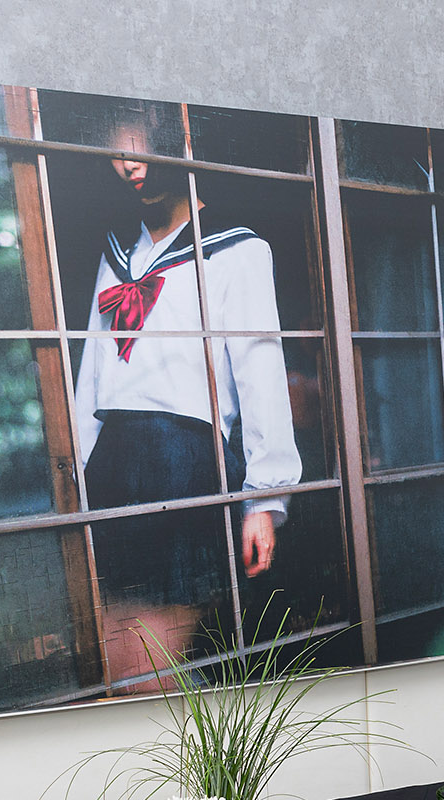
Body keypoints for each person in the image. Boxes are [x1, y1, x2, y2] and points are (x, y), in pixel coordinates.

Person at [72, 118, 302, 691]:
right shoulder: (117, 254)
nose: (129, 165)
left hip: (183, 460)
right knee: (115, 655)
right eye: (116, 154)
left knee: (155, 661)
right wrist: (77, 476)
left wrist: (265, 499)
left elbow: (261, 373)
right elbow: (92, 372)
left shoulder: (237, 250)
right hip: (113, 463)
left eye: (141, 150)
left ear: (181, 147)